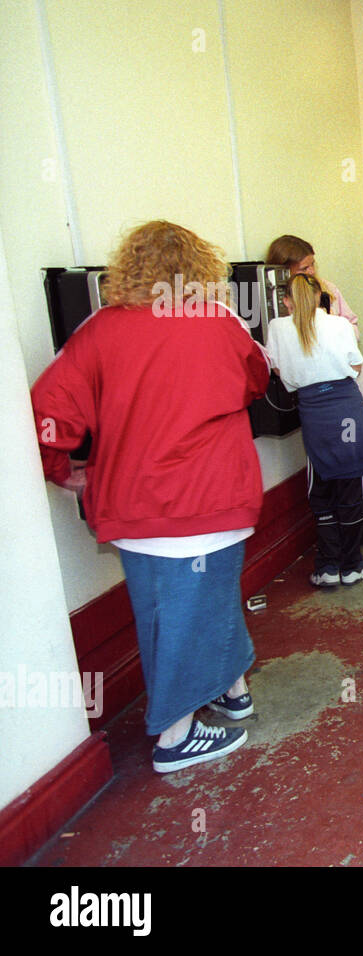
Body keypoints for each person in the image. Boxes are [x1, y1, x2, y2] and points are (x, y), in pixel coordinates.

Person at [31, 220, 268, 773]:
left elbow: (48, 409)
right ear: (202, 270)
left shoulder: (98, 331)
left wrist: (64, 471)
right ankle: (174, 738)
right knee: (194, 612)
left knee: (192, 608)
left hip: (138, 505)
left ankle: (232, 689)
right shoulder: (220, 323)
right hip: (212, 498)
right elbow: (257, 376)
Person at [266, 235, 363, 551]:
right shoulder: (280, 317)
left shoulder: (328, 290)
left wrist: (332, 336)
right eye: (304, 267)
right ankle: (340, 547)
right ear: (285, 273)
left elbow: (352, 326)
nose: (311, 271)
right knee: (328, 476)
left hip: (354, 394)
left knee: (361, 468)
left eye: (312, 264)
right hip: (320, 404)